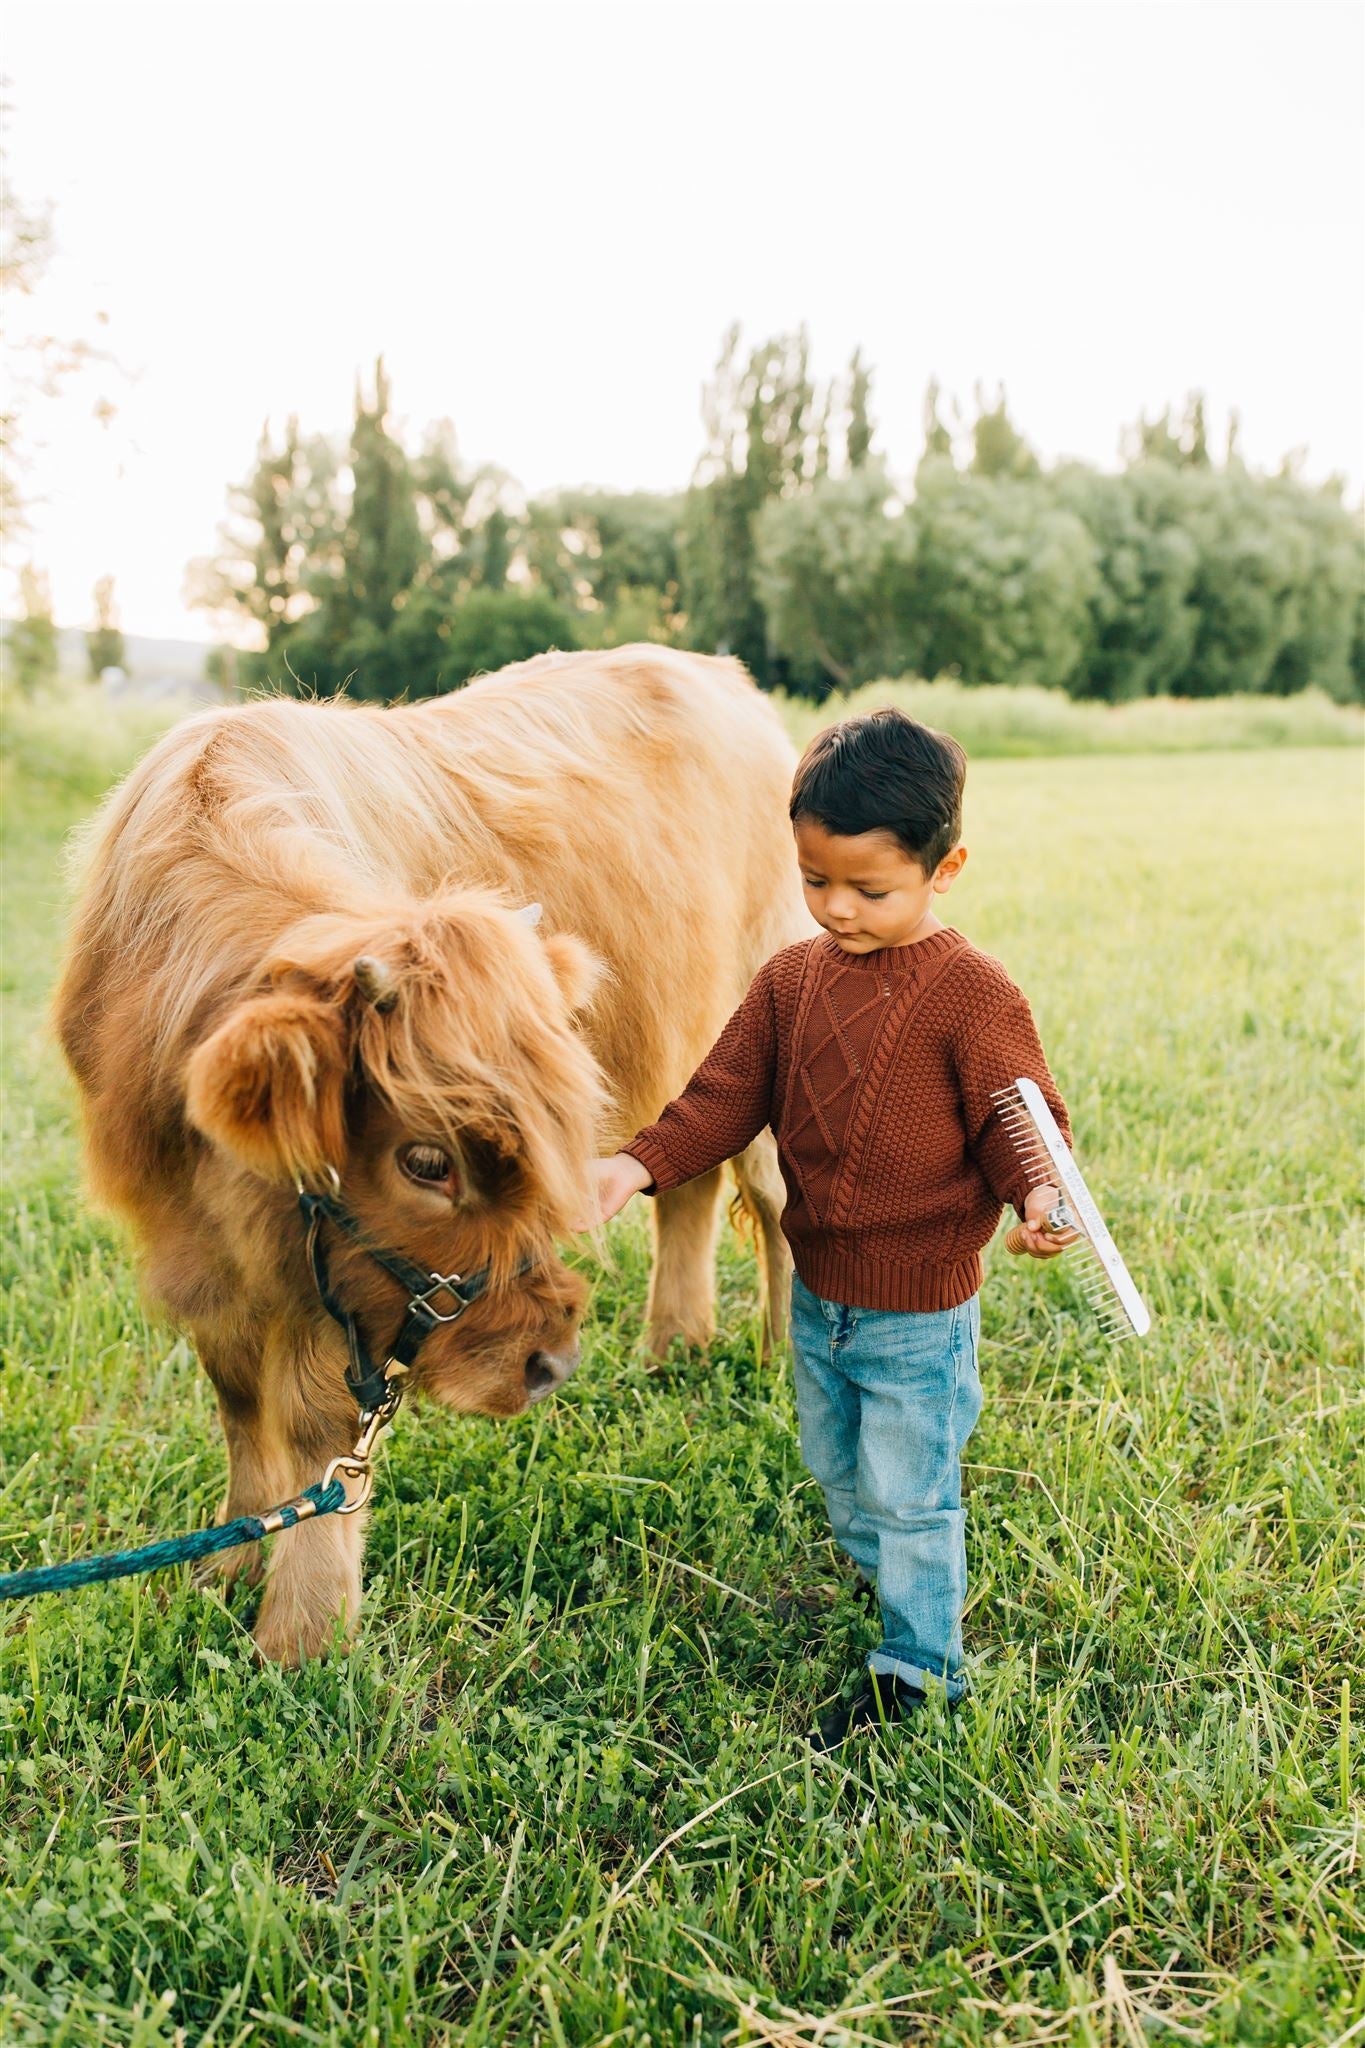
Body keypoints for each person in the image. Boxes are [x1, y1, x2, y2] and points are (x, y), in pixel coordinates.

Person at [585, 708, 1072, 1746]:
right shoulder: (789, 982)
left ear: (945, 870)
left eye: (869, 888)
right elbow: (722, 1096)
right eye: (814, 880)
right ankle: (882, 1573)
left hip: (918, 1316)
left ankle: (920, 1668)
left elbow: (1018, 1116)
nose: (836, 908)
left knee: (911, 1491)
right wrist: (634, 1162)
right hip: (822, 1300)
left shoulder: (973, 995)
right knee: (838, 1467)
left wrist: (1039, 1194)